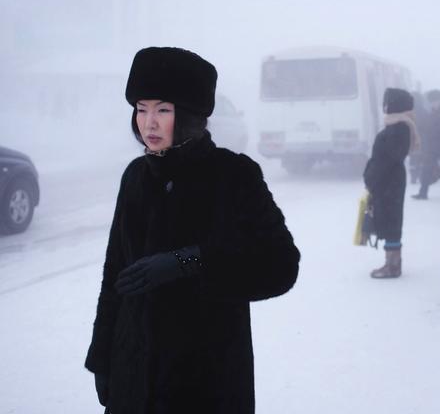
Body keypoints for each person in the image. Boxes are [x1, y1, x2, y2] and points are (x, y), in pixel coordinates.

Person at [85, 47, 300, 414]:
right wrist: (102, 357)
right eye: (141, 109)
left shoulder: (233, 176)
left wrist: (189, 260)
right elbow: (114, 274)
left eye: (163, 110)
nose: (148, 123)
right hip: (134, 376)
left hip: (205, 381)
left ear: (189, 115)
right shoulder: (136, 178)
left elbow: (281, 265)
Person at [363, 88, 420, 278]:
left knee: (391, 221)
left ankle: (393, 266)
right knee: (390, 219)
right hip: (389, 180)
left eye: (388, 102)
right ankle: (391, 262)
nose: (385, 106)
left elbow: (389, 158)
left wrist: (372, 176)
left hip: (389, 181)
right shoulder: (397, 125)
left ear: (396, 104)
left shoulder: (399, 126)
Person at [412, 89, 440, 200]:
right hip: (432, 146)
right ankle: (423, 192)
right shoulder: (433, 113)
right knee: (426, 169)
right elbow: (428, 128)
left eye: (434, 101)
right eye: (431, 102)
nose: (433, 104)